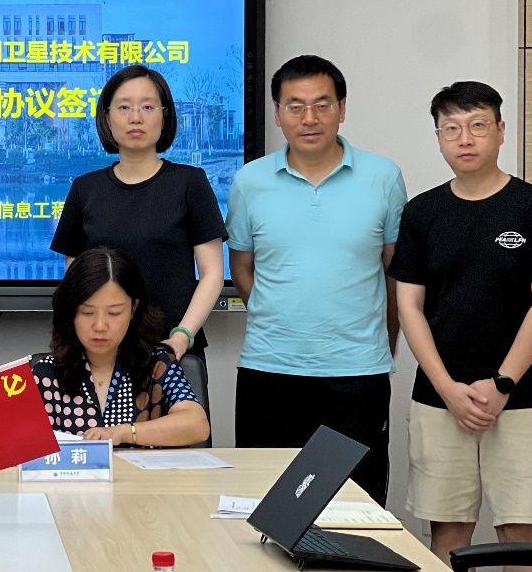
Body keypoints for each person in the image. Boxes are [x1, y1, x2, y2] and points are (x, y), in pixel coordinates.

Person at [389, 81, 532, 572]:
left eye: (476, 126)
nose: (464, 139)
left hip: (523, 397)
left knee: (520, 534)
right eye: (451, 129)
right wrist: (447, 388)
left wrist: (502, 383)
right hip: (440, 398)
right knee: (448, 531)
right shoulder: (422, 212)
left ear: (500, 131)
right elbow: (409, 306)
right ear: (438, 138)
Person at [226, 55, 406, 505]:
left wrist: (382, 341)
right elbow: (242, 268)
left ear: (342, 108)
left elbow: (396, 272)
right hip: (269, 371)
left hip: (356, 374)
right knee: (267, 507)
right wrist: (278, 313)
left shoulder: (383, 177)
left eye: (322, 104)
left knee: (356, 508)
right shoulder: (250, 181)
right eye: (295, 106)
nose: (309, 118)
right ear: (277, 113)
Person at [51, 64, 226, 412]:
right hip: (98, 356)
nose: (136, 117)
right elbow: (75, 281)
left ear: (165, 116)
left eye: (147, 106)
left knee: (178, 441)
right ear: (107, 117)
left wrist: (182, 337)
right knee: (100, 443)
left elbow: (212, 274)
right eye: (124, 107)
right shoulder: (85, 189)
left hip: (173, 351)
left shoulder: (190, 183)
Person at [33, 247, 209, 446]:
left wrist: (123, 433)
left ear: (133, 309)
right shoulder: (45, 372)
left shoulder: (157, 364)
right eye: (87, 312)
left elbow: (197, 425)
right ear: (70, 312)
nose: (100, 326)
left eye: (114, 313)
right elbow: (18, 445)